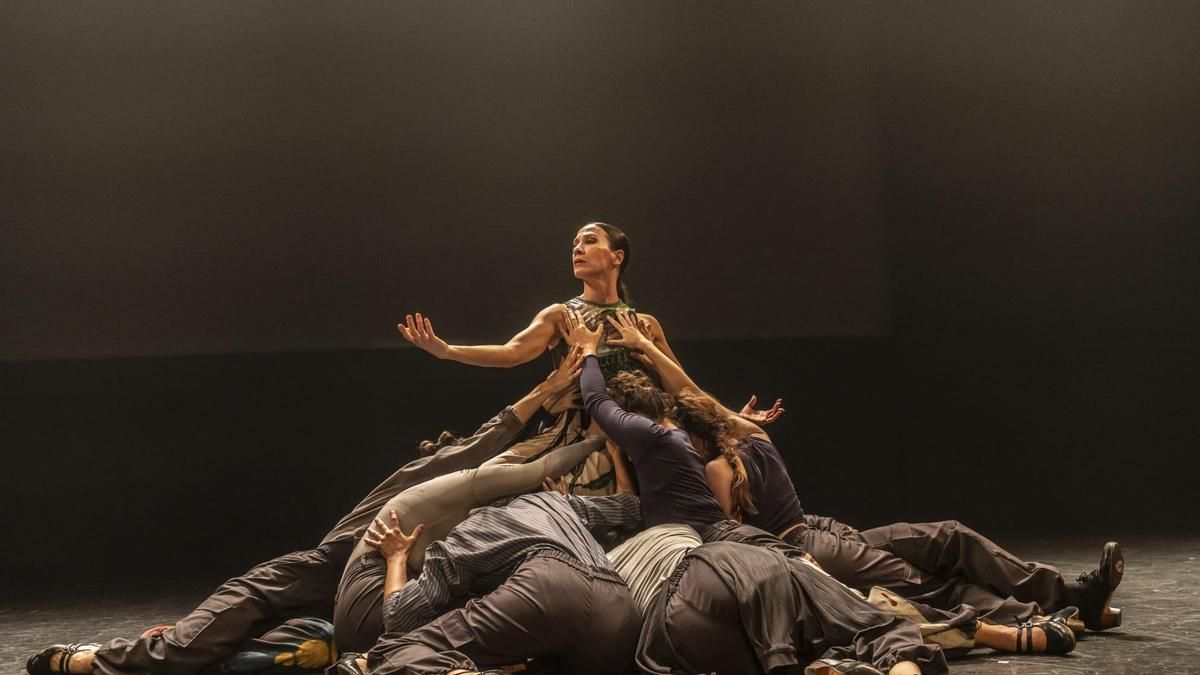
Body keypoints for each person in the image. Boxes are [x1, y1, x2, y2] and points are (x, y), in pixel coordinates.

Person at [26, 357, 585, 675]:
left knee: (260, 643)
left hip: (362, 595)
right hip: (333, 573)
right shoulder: (434, 475)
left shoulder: (481, 502)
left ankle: (124, 656)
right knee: (217, 638)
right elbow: (492, 440)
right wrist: (550, 394)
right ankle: (103, 661)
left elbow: (511, 459)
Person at [608, 307, 1124, 634]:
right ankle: (1058, 611)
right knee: (939, 561)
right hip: (819, 539)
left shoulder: (712, 472)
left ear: (691, 437)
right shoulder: (752, 436)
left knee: (943, 552)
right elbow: (692, 391)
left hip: (818, 541)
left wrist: (621, 447)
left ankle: (1069, 600)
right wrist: (653, 348)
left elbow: (692, 404)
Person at [347, 457, 643, 675]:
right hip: (621, 608)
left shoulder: (476, 526)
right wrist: (616, 453)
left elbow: (400, 618)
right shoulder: (560, 504)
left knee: (391, 650)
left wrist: (397, 557)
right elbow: (630, 507)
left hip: (550, 586)